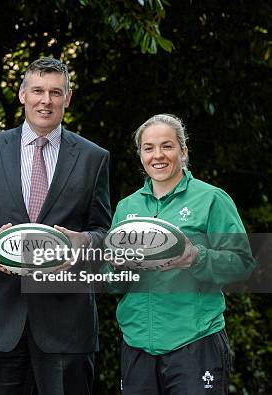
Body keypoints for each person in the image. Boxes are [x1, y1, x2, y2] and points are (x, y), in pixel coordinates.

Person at [0, 57, 111, 394]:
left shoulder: (93, 157)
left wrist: (84, 242)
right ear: (22, 94)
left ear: (67, 99)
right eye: (38, 91)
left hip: (66, 322)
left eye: (56, 92)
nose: (46, 100)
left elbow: (104, 232)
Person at [105, 114, 255, 394]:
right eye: (148, 148)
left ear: (183, 151)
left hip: (194, 343)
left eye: (167, 146)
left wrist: (195, 257)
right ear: (140, 155)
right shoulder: (127, 207)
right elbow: (110, 281)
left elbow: (243, 264)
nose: (157, 155)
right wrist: (116, 268)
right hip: (137, 344)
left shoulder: (211, 199)